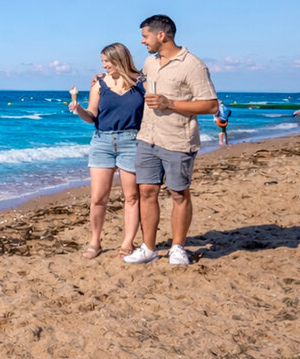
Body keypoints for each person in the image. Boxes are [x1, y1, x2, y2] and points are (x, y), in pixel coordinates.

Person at [124, 15, 218, 267]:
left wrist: (170, 103)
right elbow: (139, 80)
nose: (142, 41)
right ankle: (149, 248)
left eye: (145, 36)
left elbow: (210, 104)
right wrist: (109, 76)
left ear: (161, 35)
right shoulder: (150, 62)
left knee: (178, 194)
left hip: (178, 139)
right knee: (146, 192)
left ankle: (178, 248)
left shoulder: (193, 65)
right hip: (147, 137)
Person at [69, 42, 144, 258]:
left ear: (119, 59)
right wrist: (78, 109)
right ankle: (95, 242)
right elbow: (91, 116)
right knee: (98, 197)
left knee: (131, 197)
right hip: (102, 142)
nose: (104, 65)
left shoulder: (141, 82)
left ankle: (128, 243)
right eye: (102, 61)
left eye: (107, 61)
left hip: (132, 141)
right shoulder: (99, 84)